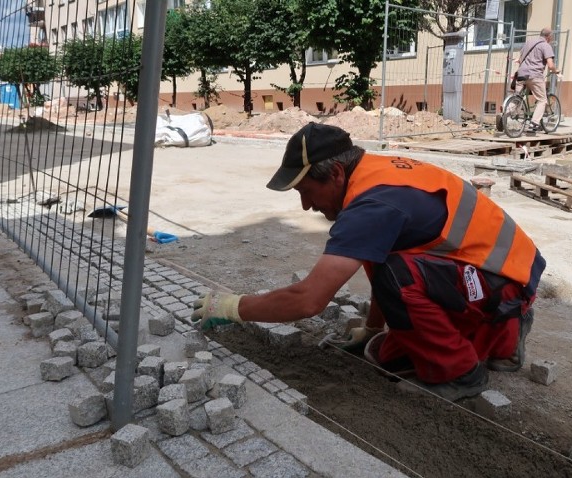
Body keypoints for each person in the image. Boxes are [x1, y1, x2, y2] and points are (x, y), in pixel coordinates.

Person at [191, 122, 546, 401]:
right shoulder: (372, 171)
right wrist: (374, 330)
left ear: (335, 175)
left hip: (500, 283)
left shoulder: (373, 205)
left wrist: (233, 307)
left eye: (304, 191)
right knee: (384, 352)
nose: (305, 206)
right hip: (503, 274)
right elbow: (382, 260)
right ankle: (504, 339)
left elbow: (309, 300)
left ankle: (462, 374)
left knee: (399, 278)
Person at [514, 27, 560, 132]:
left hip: (521, 74)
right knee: (542, 100)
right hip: (535, 75)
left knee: (517, 97)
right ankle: (534, 123)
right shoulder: (546, 46)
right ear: (549, 36)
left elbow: (520, 58)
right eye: (551, 37)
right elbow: (550, 64)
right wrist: (555, 70)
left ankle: (504, 113)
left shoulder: (529, 42)